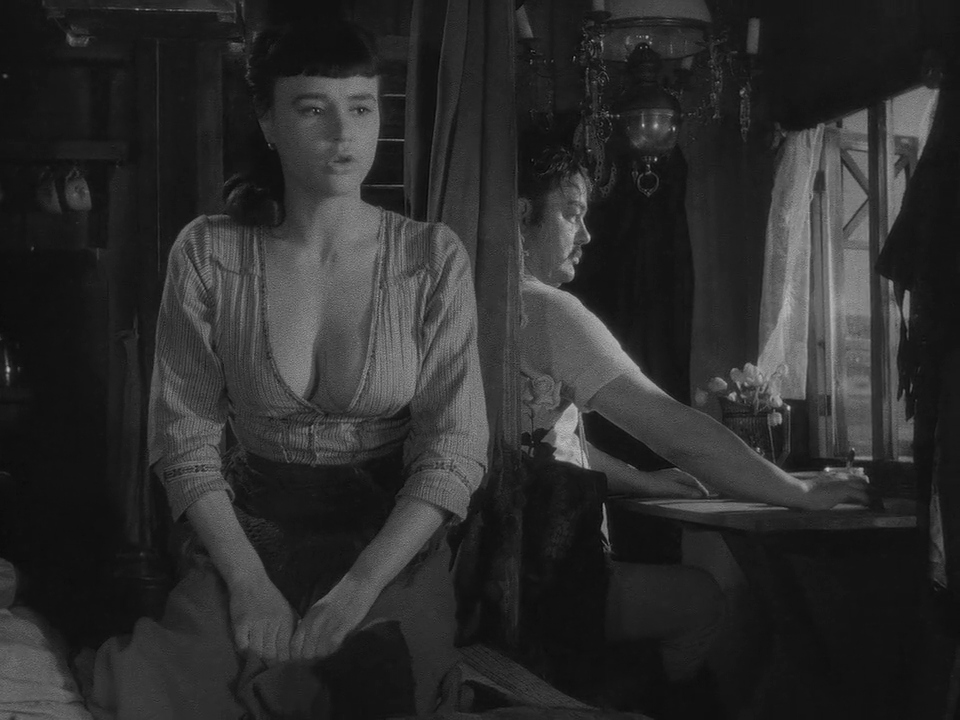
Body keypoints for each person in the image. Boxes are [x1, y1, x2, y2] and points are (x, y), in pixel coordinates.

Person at [90, 19, 488, 720]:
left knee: (382, 681)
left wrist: (359, 588)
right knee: (167, 686)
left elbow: (453, 451)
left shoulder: (431, 259)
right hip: (250, 532)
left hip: (389, 540)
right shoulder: (209, 253)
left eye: (361, 107)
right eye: (312, 109)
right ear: (269, 121)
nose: (343, 133)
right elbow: (184, 442)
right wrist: (247, 582)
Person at [513, 133, 871, 711]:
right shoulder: (550, 311)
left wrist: (645, 481)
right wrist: (799, 492)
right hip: (542, 579)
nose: (586, 235)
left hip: (490, 576)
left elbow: (543, 449)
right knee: (702, 599)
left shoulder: (478, 300)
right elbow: (676, 431)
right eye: (571, 214)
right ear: (520, 215)